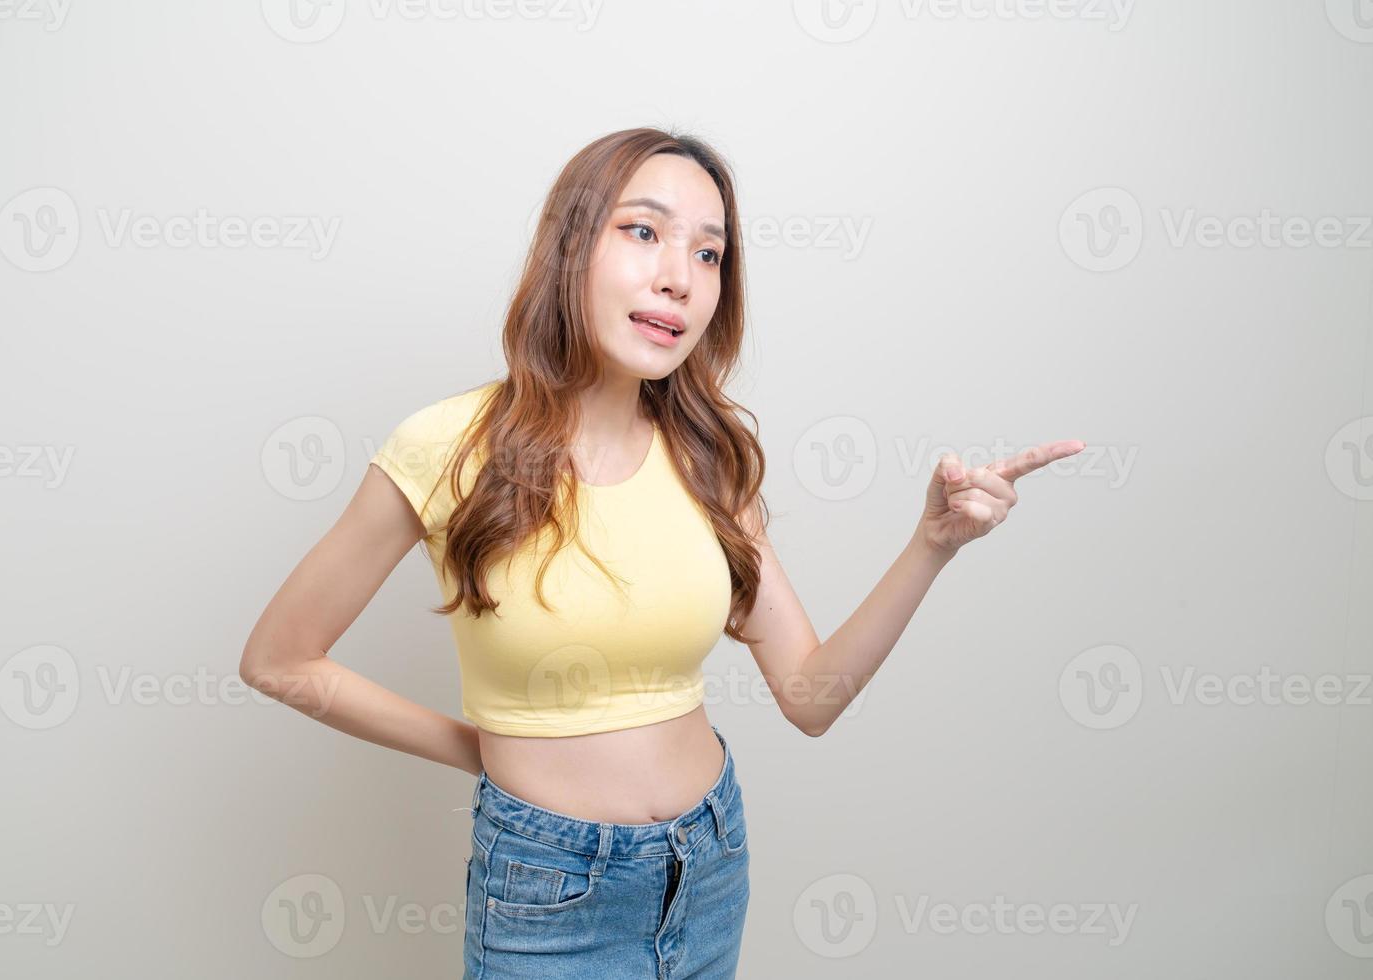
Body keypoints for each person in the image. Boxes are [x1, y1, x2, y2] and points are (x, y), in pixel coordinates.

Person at [239, 126, 1083, 978]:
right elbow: (279, 659)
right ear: (571, 246)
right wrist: (484, 750)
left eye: (710, 254)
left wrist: (930, 547)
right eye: (643, 232)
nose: (680, 276)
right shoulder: (448, 446)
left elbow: (812, 697)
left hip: (709, 864)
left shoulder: (708, 460)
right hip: (546, 891)